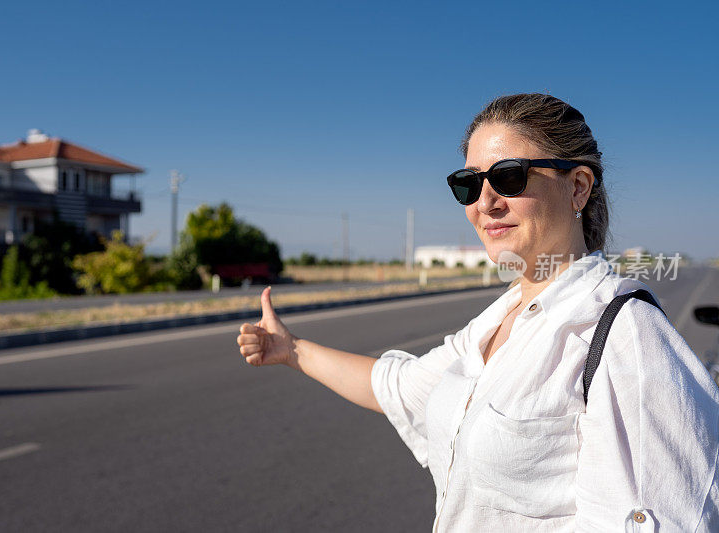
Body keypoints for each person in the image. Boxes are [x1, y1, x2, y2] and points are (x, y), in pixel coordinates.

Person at [236, 93, 719, 531]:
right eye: (468, 184)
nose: (485, 202)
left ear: (577, 187)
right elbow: (397, 386)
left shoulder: (622, 333)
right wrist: (291, 349)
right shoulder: (495, 321)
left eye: (509, 177)